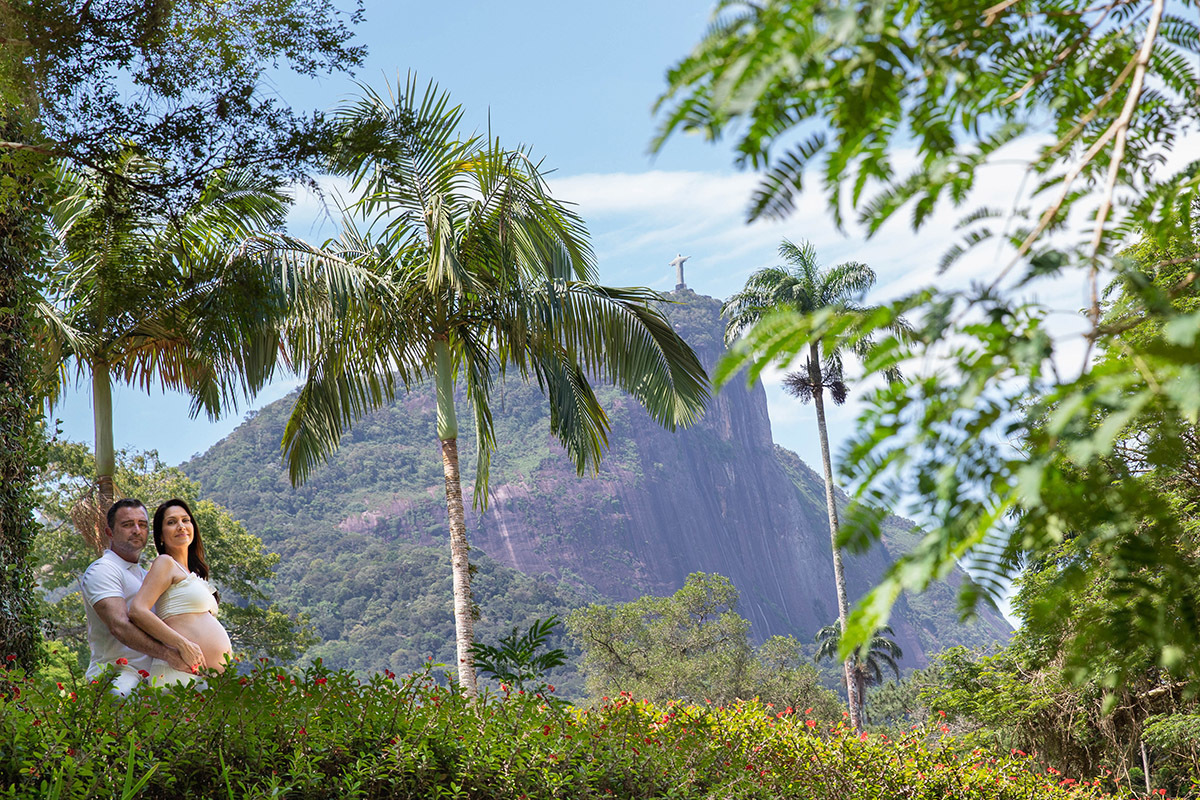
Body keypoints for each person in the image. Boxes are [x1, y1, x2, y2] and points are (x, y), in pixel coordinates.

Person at [81, 499, 203, 695]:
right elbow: (119, 626)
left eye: (143, 525)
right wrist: (169, 654)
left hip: (155, 677)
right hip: (119, 675)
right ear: (109, 532)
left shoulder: (147, 576)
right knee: (120, 696)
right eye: (128, 525)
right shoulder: (103, 570)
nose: (137, 530)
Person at [129, 498, 233, 686]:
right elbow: (138, 610)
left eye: (185, 520)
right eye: (171, 522)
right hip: (177, 675)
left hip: (203, 681)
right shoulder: (165, 563)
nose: (181, 526)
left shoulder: (193, 573)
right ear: (161, 535)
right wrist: (182, 644)